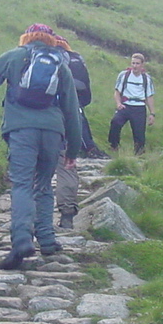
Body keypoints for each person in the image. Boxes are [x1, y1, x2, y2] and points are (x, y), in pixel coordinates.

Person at [0, 23, 81, 269]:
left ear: (27, 37)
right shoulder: (60, 64)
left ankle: (22, 240)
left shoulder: (15, 56)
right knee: (43, 184)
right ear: (50, 40)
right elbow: (72, 109)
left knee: (23, 184)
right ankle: (47, 239)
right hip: (52, 132)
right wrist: (73, 150)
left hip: (22, 130)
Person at [53, 34, 99, 230]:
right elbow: (84, 94)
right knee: (66, 167)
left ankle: (29, 219)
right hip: (63, 120)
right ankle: (66, 215)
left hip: (33, 124)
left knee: (34, 172)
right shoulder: (74, 60)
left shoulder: (28, 58)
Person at [108, 53, 155, 154]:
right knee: (115, 122)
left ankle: (139, 154)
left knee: (139, 134)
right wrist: (118, 104)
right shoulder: (124, 75)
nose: (135, 66)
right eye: (133, 63)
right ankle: (114, 146)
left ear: (142, 65)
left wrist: (152, 113)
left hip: (139, 108)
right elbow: (117, 92)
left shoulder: (146, 78)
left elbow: (149, 97)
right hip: (125, 106)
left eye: (137, 63)